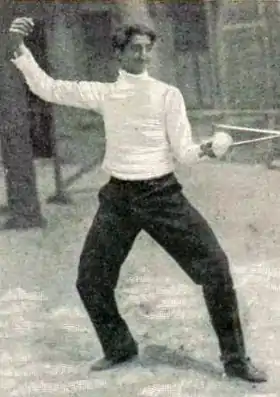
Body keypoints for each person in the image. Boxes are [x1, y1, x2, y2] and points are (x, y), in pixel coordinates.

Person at [9, 17, 267, 382]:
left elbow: (185, 152)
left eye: (148, 48)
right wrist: (20, 50)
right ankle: (119, 346)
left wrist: (208, 148)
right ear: (119, 53)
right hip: (119, 199)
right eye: (135, 48)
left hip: (162, 195)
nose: (143, 55)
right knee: (90, 280)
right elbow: (48, 87)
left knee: (216, 268)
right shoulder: (105, 94)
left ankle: (236, 360)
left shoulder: (167, 95)